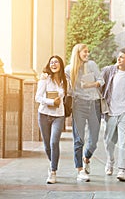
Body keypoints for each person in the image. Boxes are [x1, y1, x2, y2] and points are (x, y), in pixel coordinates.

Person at [65, 43, 104, 182]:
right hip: (78, 104)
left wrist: (90, 85)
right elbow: (62, 84)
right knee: (79, 139)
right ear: (78, 53)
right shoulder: (69, 69)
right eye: (85, 52)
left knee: (93, 141)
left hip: (94, 104)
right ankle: (80, 170)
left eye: (88, 51)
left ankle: (86, 157)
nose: (87, 54)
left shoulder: (92, 65)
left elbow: (101, 80)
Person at [101, 47, 125, 182]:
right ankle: (110, 161)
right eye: (119, 56)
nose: (119, 58)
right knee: (109, 141)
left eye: (122, 57)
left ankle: (122, 169)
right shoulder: (109, 71)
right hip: (110, 111)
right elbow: (98, 81)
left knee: (124, 141)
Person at [35, 55, 68, 184]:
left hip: (58, 116)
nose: (54, 64)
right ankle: (52, 162)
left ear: (60, 65)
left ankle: (53, 171)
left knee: (54, 142)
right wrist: (50, 101)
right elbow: (37, 97)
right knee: (47, 145)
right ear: (49, 65)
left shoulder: (65, 81)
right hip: (43, 114)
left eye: (56, 62)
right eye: (51, 62)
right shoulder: (44, 79)